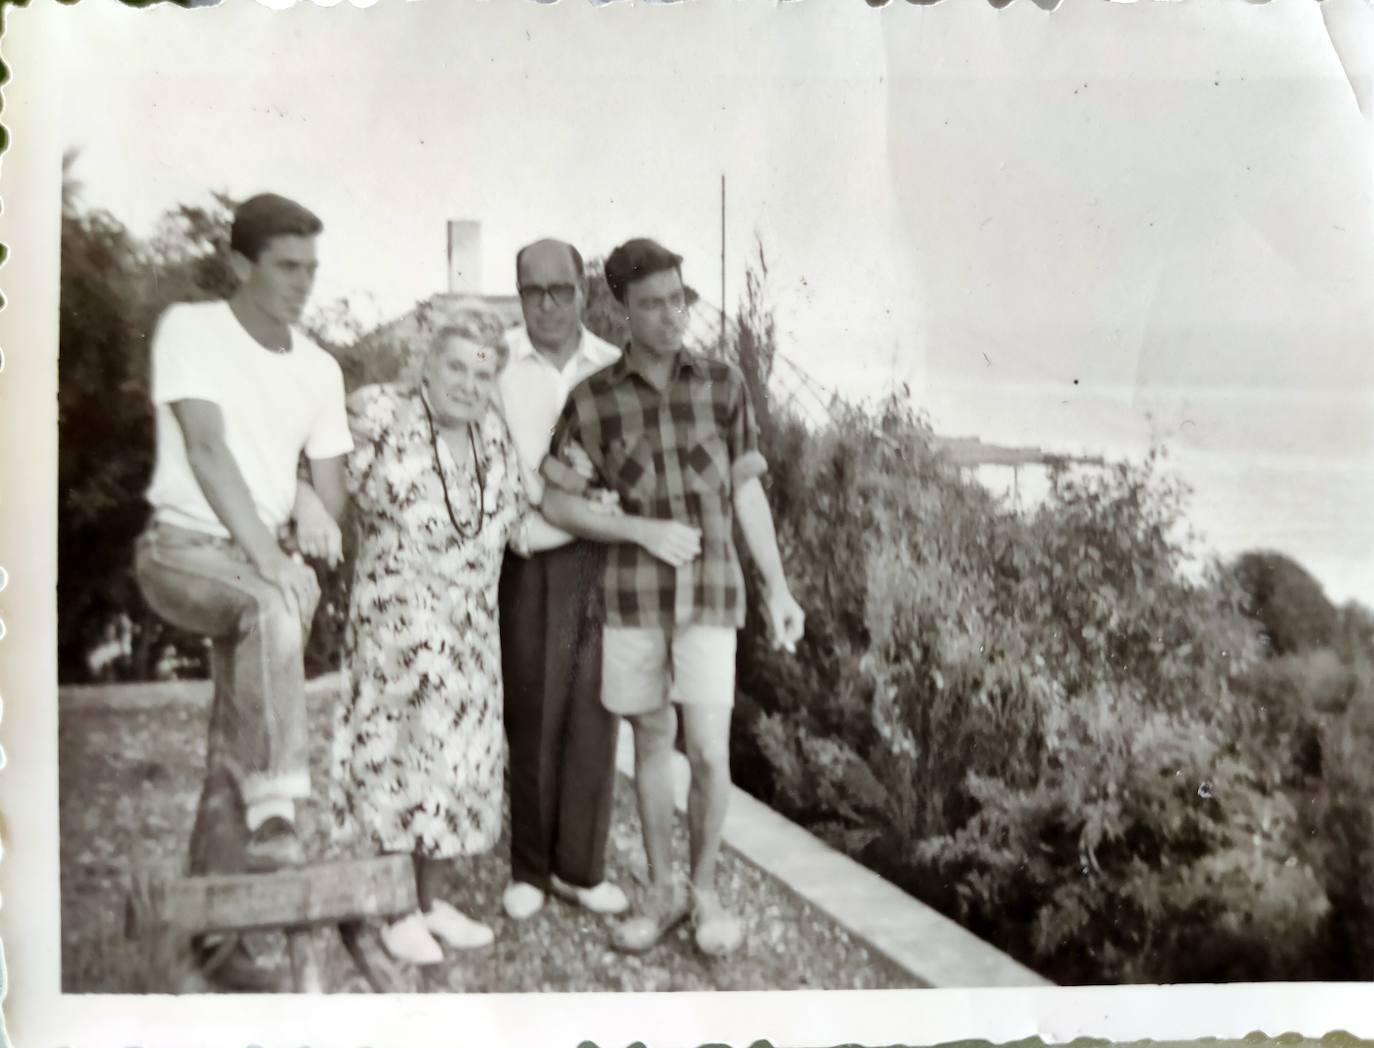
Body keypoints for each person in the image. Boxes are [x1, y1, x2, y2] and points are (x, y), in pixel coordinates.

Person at [541, 238, 805, 956]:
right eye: (651, 303)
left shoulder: (724, 386)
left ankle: (706, 892)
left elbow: (747, 490)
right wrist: (640, 529)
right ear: (619, 307)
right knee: (653, 743)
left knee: (712, 754)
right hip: (631, 599)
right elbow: (558, 502)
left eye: (678, 299)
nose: (670, 316)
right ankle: (662, 892)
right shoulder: (591, 402)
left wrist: (778, 588)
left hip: (713, 595)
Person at [328, 318, 610, 965]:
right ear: (425, 365)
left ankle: (432, 903)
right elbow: (324, 490)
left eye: (484, 373)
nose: (469, 384)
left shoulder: (493, 440)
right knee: (400, 763)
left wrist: (606, 524)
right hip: (396, 637)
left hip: (470, 640)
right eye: (457, 368)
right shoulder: (379, 414)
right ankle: (394, 910)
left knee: (454, 768)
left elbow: (523, 532)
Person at [133, 192, 352, 989]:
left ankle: (216, 943)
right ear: (240, 265)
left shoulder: (321, 368)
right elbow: (207, 450)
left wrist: (302, 499)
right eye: (287, 267)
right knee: (271, 605)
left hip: (256, 562)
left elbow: (331, 502)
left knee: (235, 743)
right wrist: (275, 560)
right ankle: (280, 809)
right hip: (181, 554)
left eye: (312, 269)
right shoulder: (192, 330)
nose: (303, 284)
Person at [495, 239, 630, 923]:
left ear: (585, 290)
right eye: (531, 291)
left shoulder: (615, 366)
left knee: (594, 713)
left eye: (560, 289)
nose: (546, 304)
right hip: (530, 562)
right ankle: (530, 871)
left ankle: (580, 868)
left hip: (604, 560)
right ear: (519, 295)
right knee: (533, 714)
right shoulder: (499, 367)